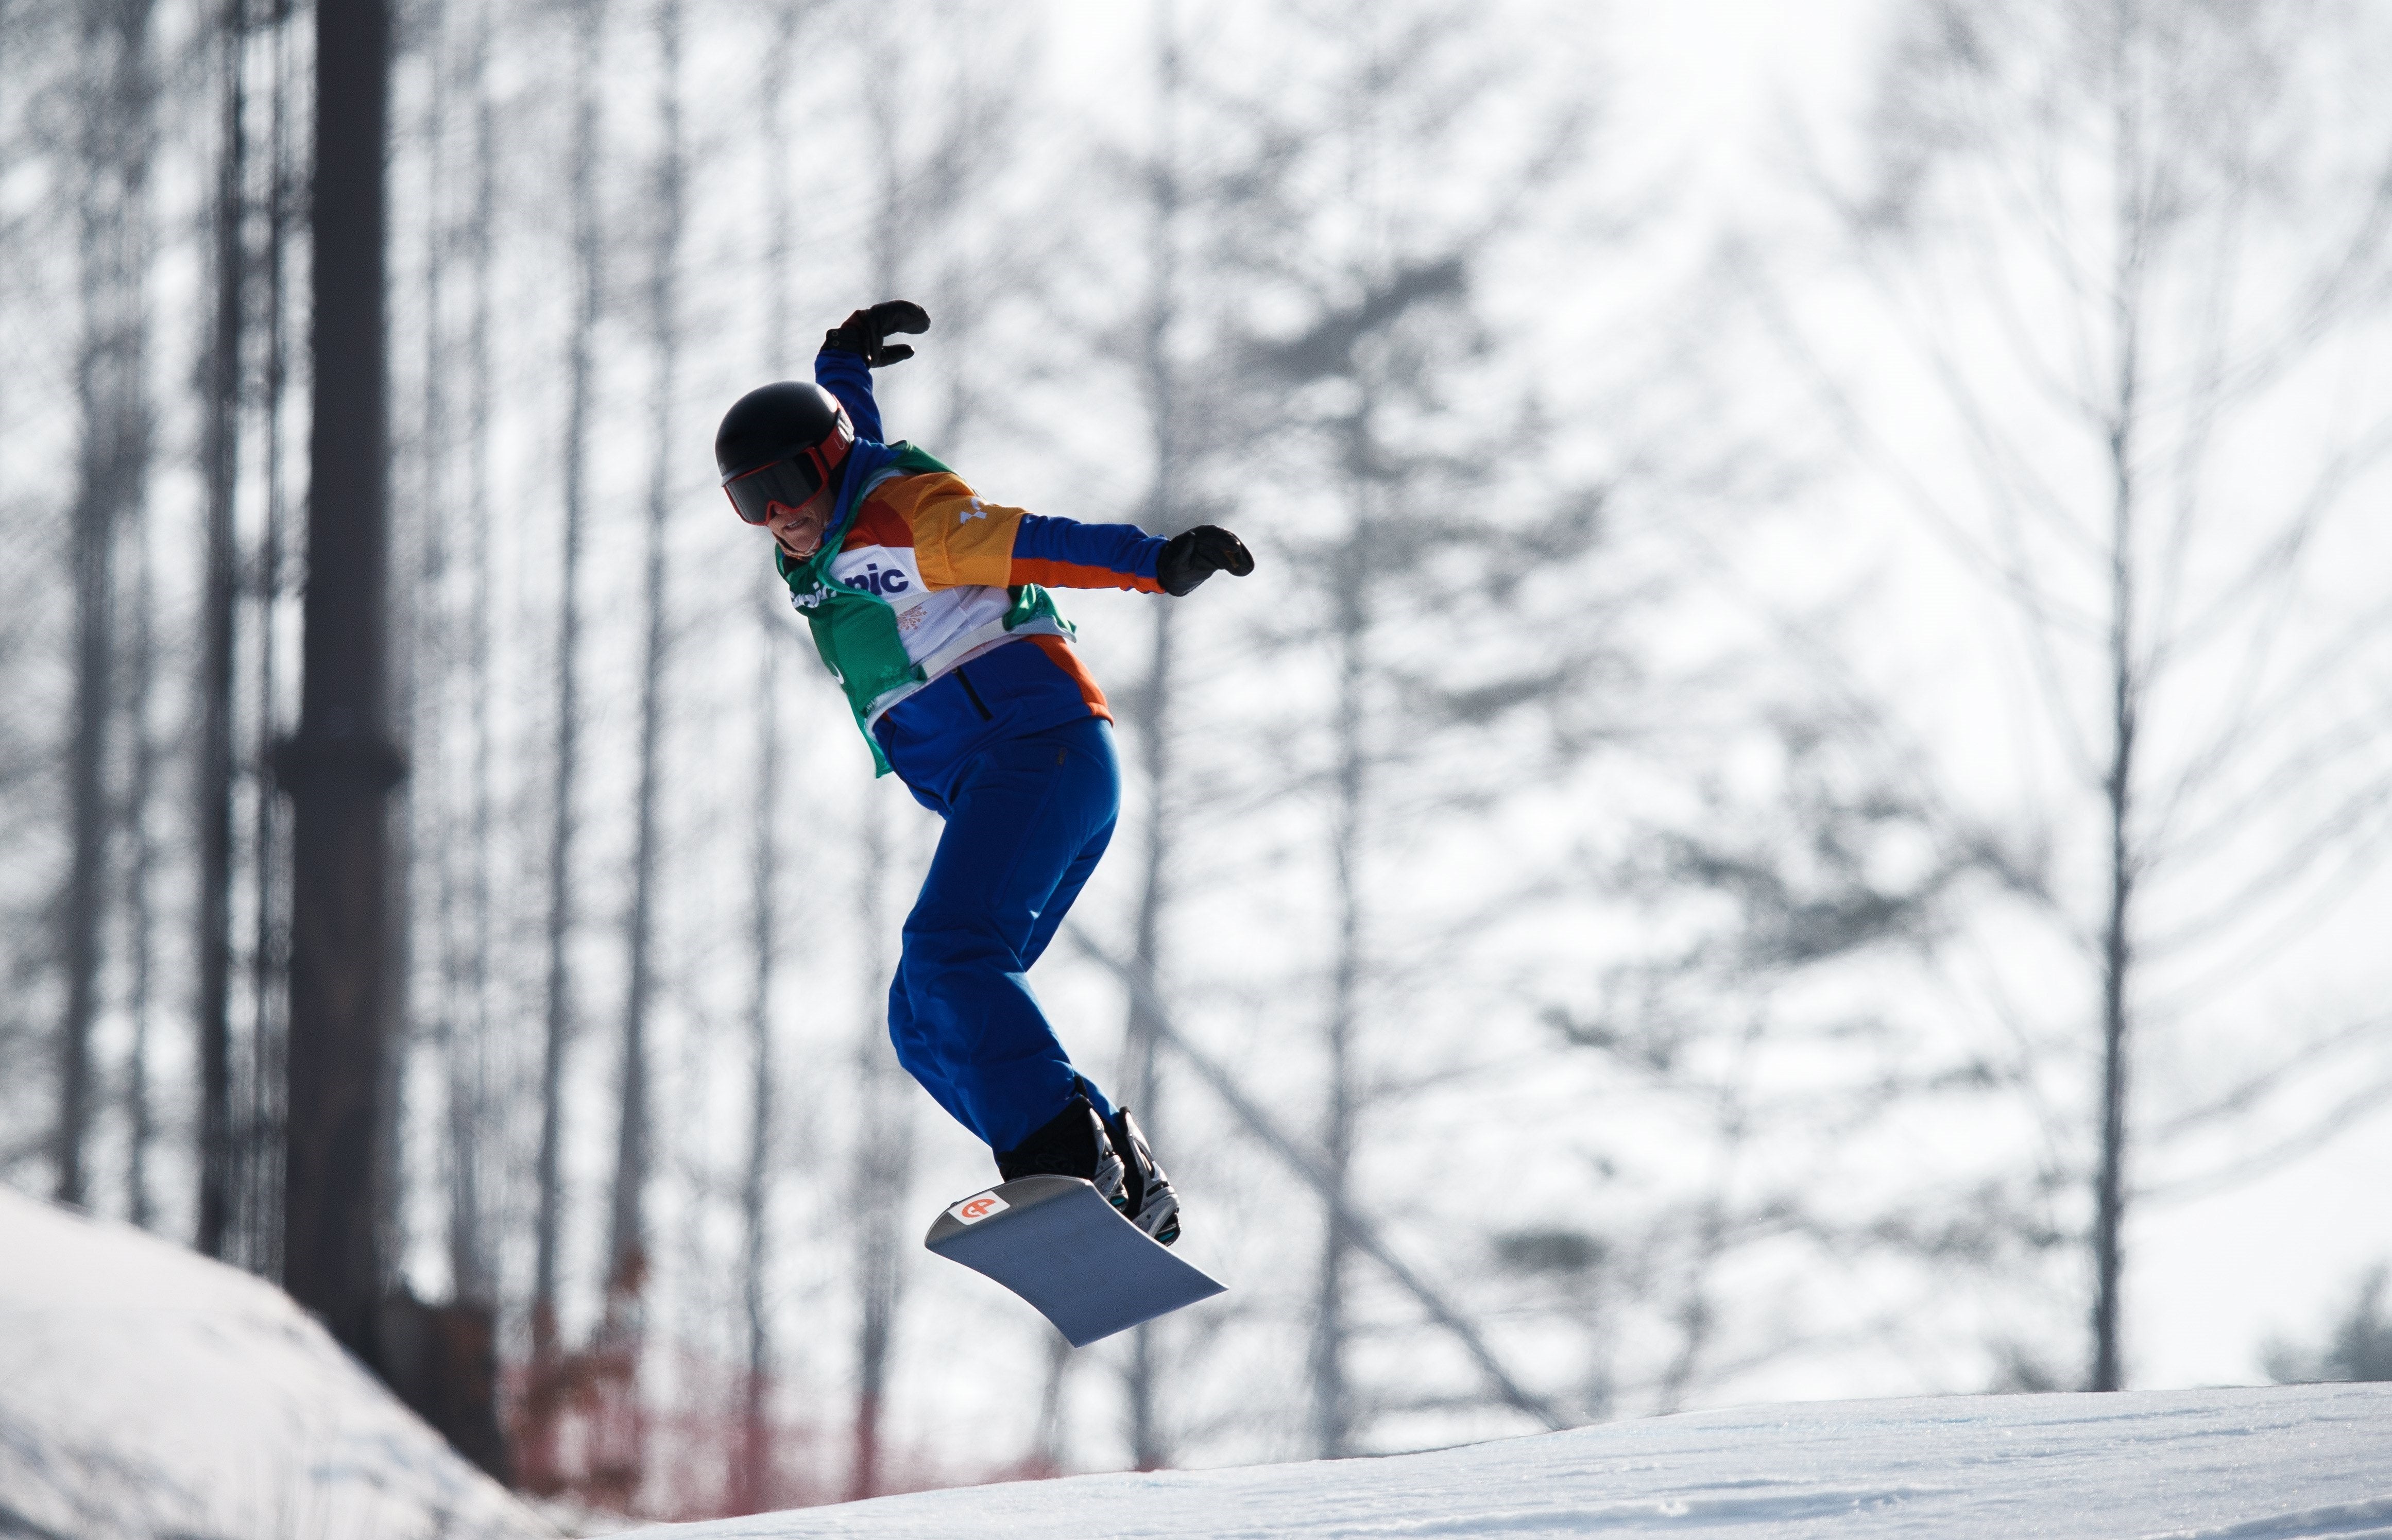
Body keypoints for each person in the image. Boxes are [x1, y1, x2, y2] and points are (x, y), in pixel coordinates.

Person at [714, 301, 1253, 1246]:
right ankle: (1118, 1172)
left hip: (1037, 749)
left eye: (791, 482)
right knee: (922, 1018)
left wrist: (1157, 562)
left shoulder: (917, 520)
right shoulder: (838, 514)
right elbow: (853, 438)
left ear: (827, 467)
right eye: (750, 499)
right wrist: (840, 363)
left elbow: (1034, 539)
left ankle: (1063, 1161)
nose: (781, 515)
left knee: (948, 954)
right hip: (1008, 777)